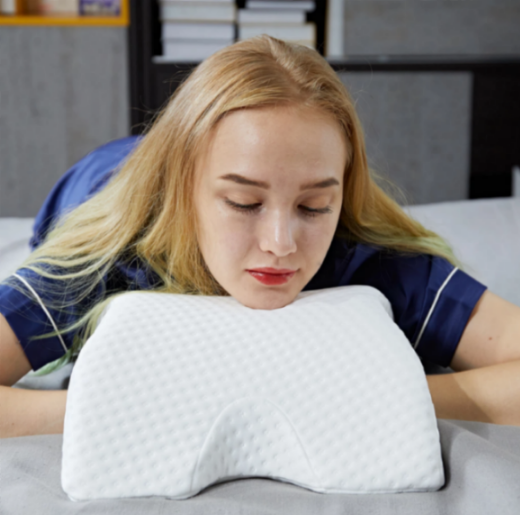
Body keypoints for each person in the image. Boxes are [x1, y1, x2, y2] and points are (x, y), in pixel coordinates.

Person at [1, 36, 519, 438]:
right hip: (107, 178)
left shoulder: (373, 261)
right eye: (243, 203)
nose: (280, 243)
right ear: (184, 191)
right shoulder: (104, 256)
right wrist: (138, 409)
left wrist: (373, 397)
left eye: (313, 206)